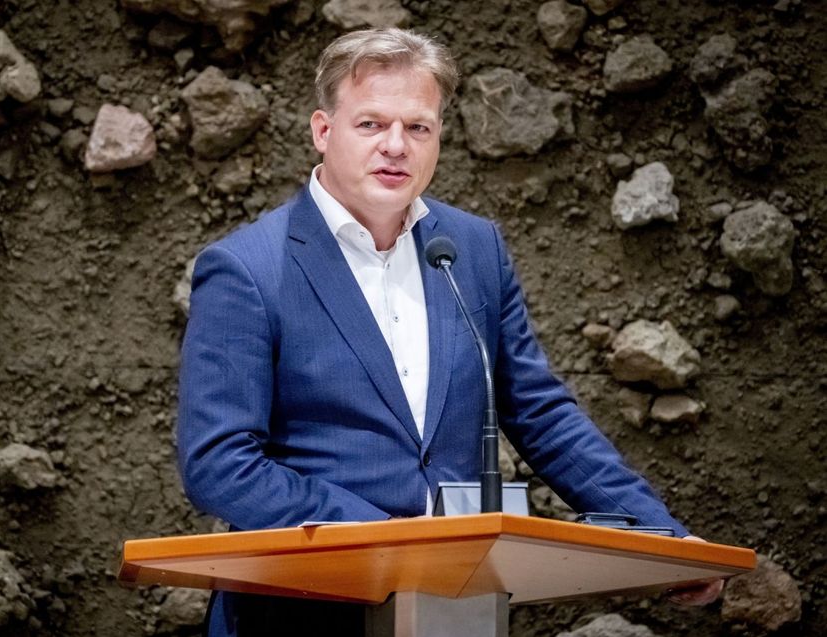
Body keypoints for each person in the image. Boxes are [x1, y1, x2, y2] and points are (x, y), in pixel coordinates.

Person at [176, 28, 721, 637]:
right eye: (371, 124)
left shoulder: (471, 250)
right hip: (297, 613)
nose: (396, 147)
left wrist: (660, 535)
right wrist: (387, 538)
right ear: (323, 131)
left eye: (418, 127)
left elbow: (540, 413)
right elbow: (219, 463)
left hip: (455, 610)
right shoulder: (249, 268)